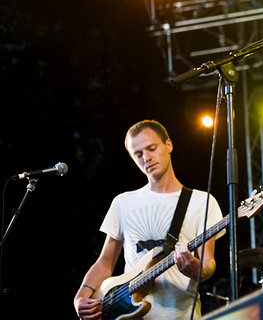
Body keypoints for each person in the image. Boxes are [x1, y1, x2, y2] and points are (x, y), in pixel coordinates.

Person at [74, 120, 223, 320]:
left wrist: (197, 270)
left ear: (168, 145)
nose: (147, 158)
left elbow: (208, 263)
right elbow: (105, 263)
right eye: (138, 154)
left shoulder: (201, 201)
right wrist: (81, 296)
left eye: (152, 148)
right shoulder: (122, 202)